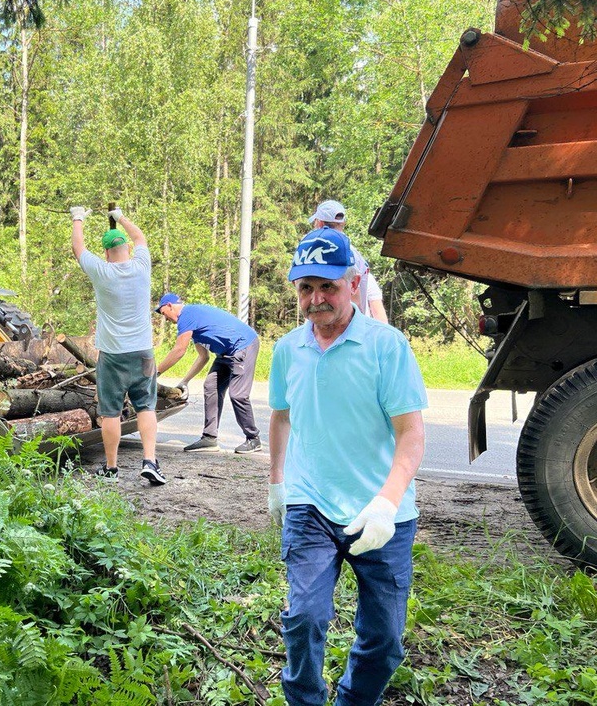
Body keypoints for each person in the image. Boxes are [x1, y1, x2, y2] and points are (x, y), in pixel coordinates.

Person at [268, 226, 427, 706]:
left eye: (328, 286)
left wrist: (387, 503)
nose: (316, 299)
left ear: (354, 283)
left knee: (385, 638)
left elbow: (411, 433)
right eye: (306, 288)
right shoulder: (288, 349)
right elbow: (280, 417)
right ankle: (305, 700)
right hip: (311, 505)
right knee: (304, 618)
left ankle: (354, 700)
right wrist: (278, 483)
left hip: (383, 512)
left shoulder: (387, 346)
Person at [71, 205, 165, 485]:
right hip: (143, 352)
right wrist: (120, 217)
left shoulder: (102, 271)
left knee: (110, 412)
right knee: (146, 407)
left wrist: (78, 217)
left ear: (106, 253)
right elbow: (140, 237)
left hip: (112, 356)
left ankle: (111, 469)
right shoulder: (142, 266)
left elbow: (78, 248)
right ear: (127, 248)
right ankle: (150, 461)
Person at [155, 294, 261, 454]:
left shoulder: (187, 315)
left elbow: (179, 350)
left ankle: (253, 439)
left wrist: (155, 373)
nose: (166, 319)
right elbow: (203, 357)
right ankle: (209, 438)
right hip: (225, 354)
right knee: (211, 386)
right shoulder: (193, 324)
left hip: (243, 346)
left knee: (238, 395)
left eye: (164, 313)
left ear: (170, 305)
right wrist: (185, 381)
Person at [309, 199, 388, 323]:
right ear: (343, 223)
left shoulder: (335, 252)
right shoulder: (352, 252)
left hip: (342, 327)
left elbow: (354, 296)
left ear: (319, 223)